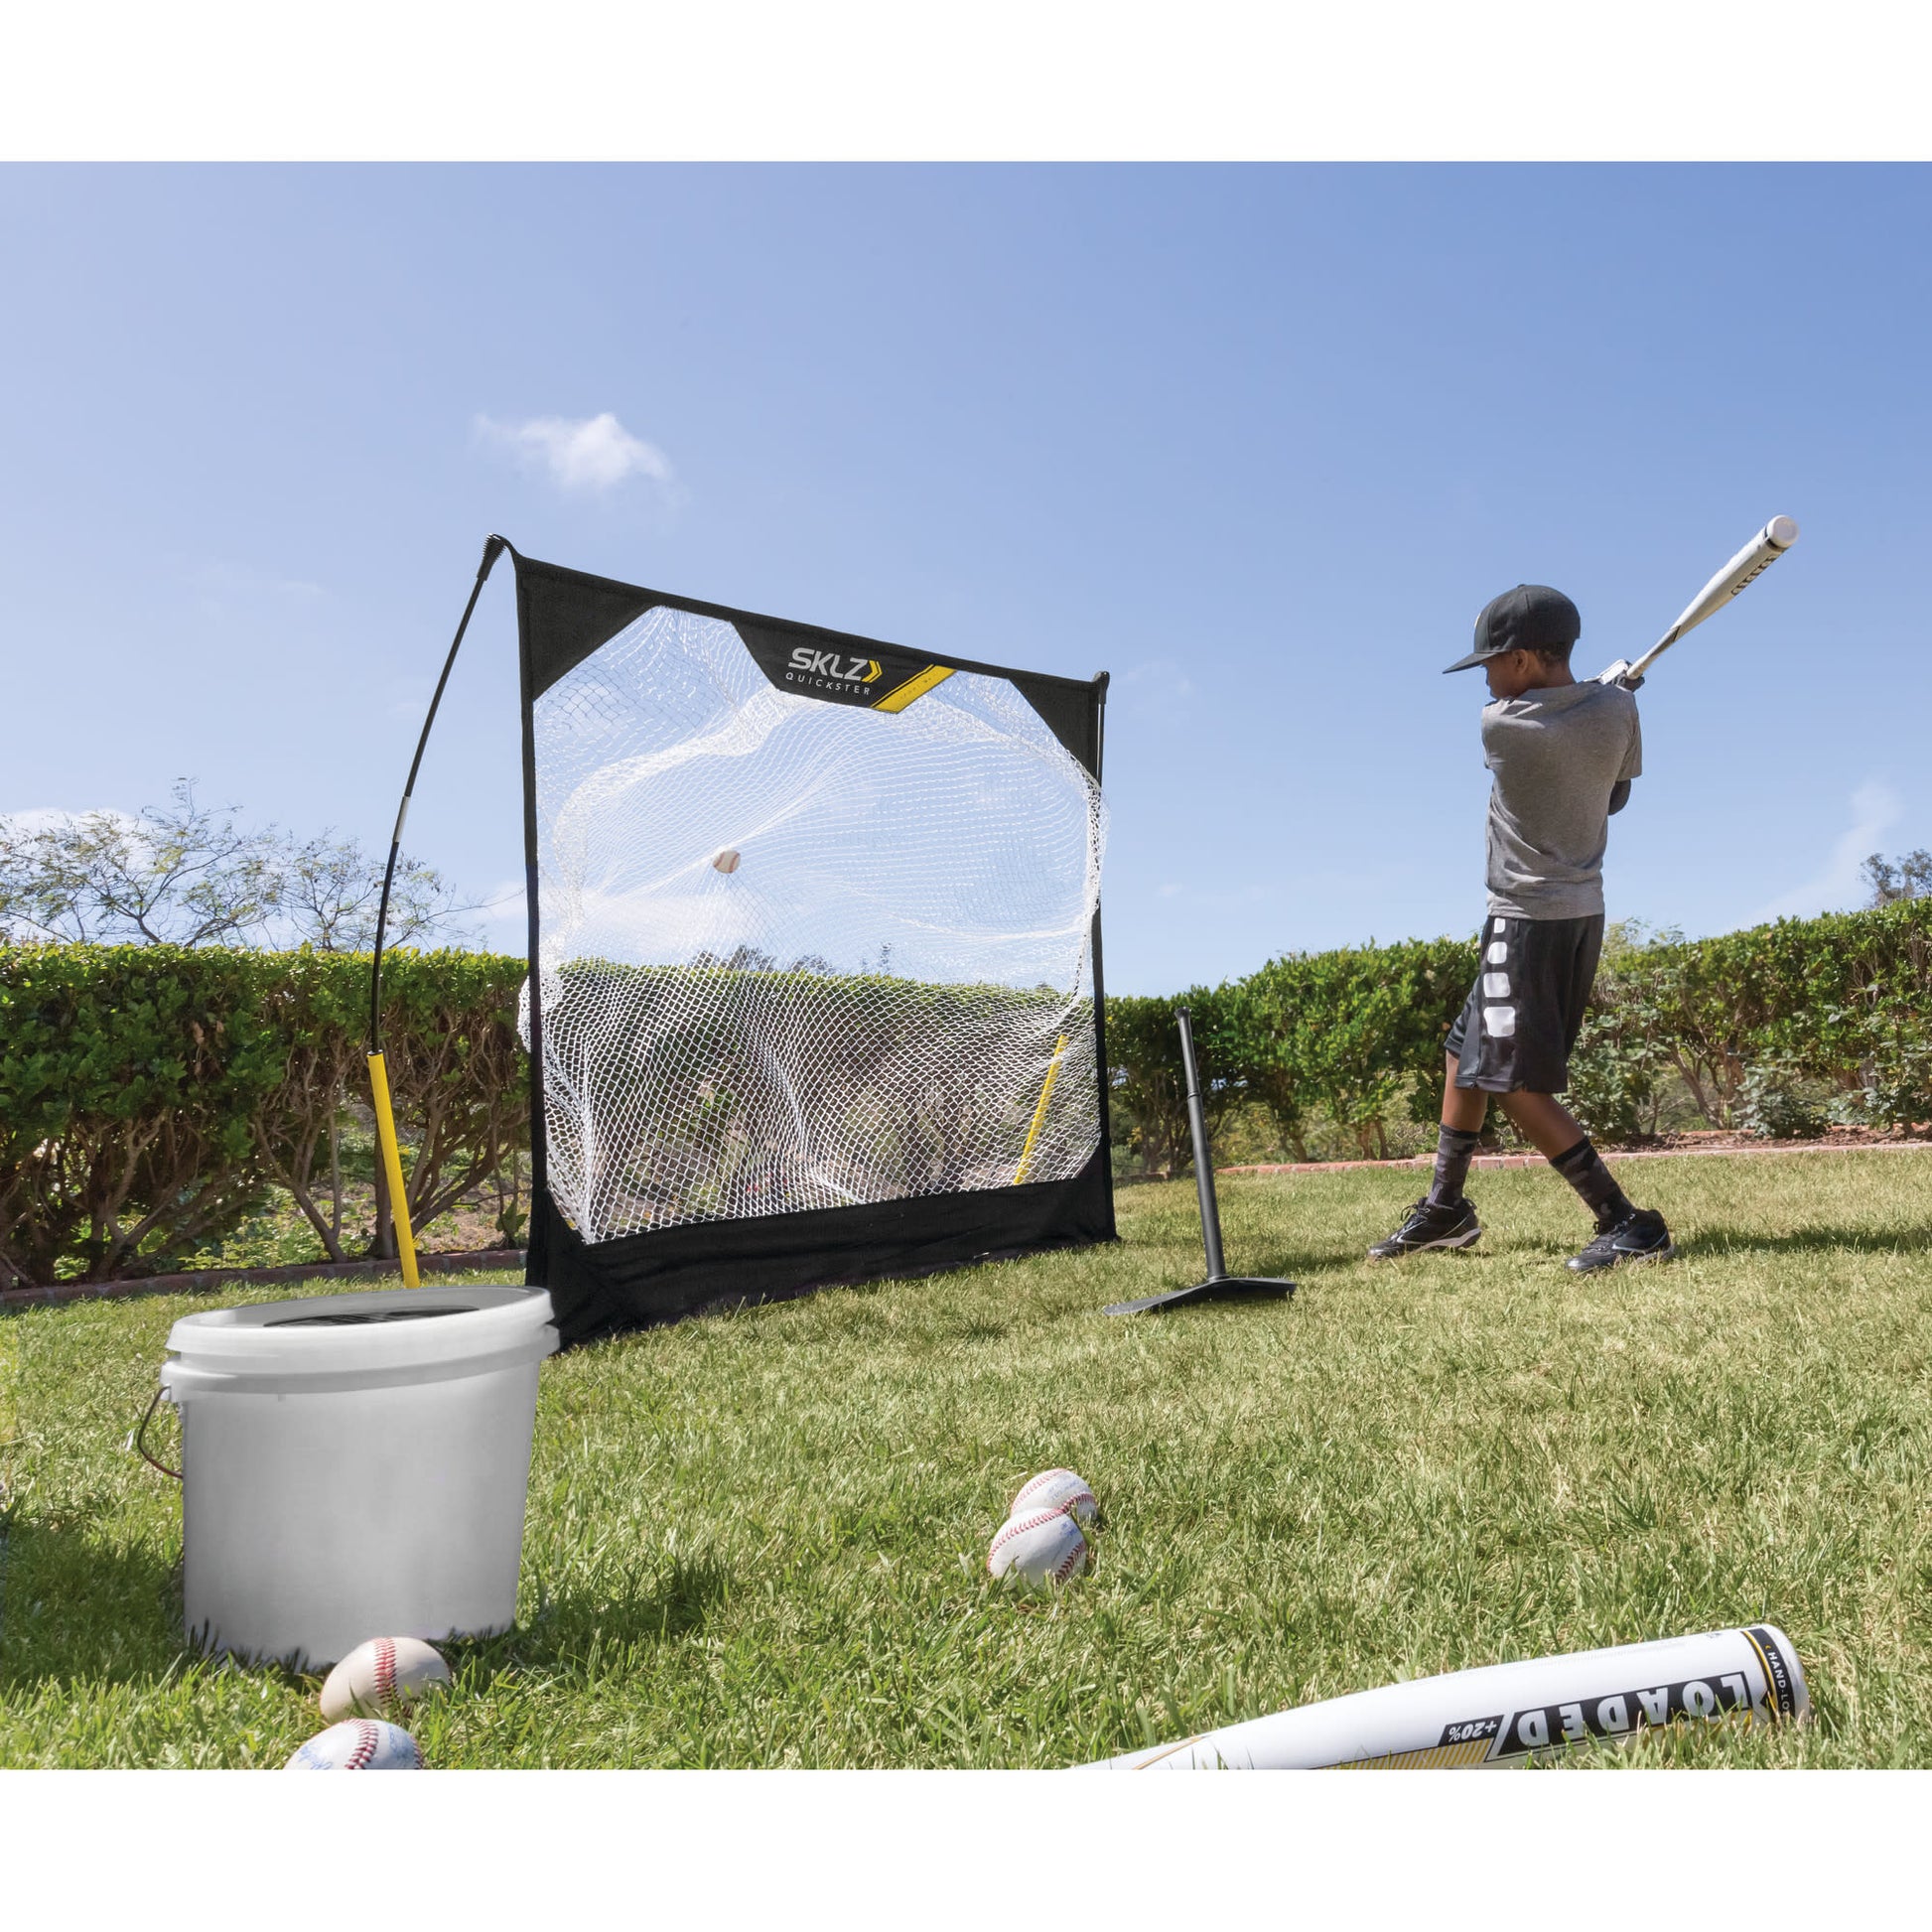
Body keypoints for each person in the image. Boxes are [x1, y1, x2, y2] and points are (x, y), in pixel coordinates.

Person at [1368, 583, 1674, 1273]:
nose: (1485, 675)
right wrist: (1608, 692)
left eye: (1494, 660)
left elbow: (1548, 726)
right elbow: (1613, 796)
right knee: (1464, 1051)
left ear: (1530, 661)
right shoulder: (1619, 711)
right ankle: (1445, 1207)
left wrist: (1601, 691)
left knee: (1512, 1082)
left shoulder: (1500, 727)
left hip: (1526, 919)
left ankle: (1628, 1222)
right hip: (1577, 914)